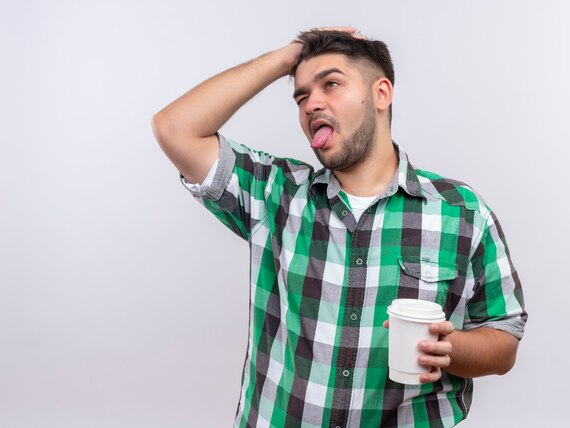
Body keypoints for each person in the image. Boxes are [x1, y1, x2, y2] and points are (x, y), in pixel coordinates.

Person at [152, 26, 527, 428]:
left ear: (381, 94)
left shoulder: (464, 213)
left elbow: (503, 339)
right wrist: (285, 58)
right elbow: (175, 128)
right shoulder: (275, 193)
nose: (312, 103)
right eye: (301, 96)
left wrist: (451, 348)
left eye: (331, 84)